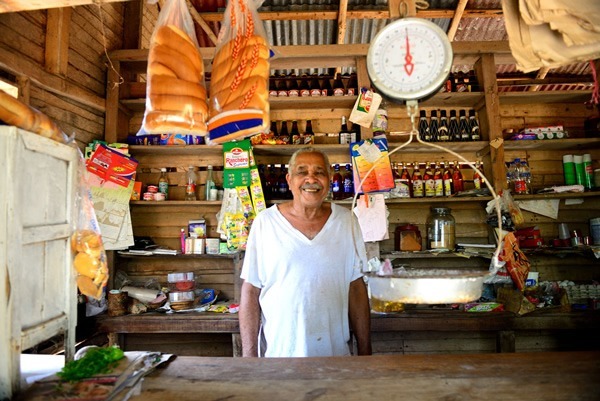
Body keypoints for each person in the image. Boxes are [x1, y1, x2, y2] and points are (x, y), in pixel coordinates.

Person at [239, 147, 372, 357]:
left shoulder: (347, 222)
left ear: (329, 180)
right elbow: (250, 290)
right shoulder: (266, 223)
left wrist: (365, 352)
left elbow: (356, 288)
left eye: (319, 172)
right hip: (281, 357)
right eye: (302, 171)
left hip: (335, 358)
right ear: (289, 180)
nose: (311, 178)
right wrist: (249, 357)